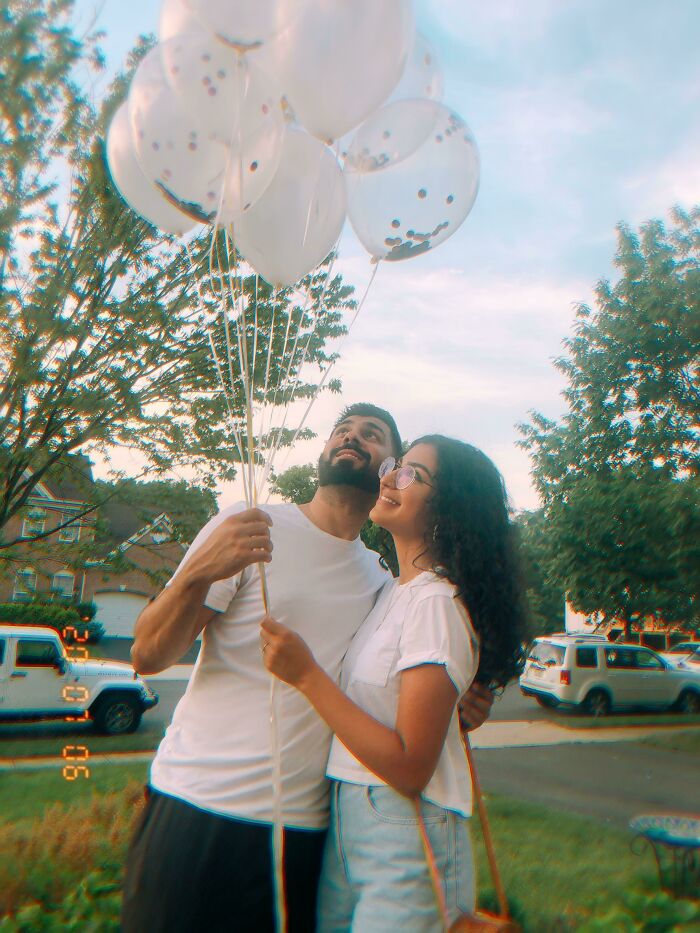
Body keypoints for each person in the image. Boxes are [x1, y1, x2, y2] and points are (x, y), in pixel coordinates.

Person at [121, 407, 494, 933]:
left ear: (391, 470)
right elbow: (147, 655)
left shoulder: (383, 582)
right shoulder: (250, 525)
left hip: (309, 835)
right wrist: (199, 571)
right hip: (200, 806)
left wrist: (458, 704)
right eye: (342, 429)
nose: (351, 437)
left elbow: (392, 686)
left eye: (373, 434)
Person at [262, 436, 528, 932]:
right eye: (395, 466)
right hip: (351, 817)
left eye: (413, 475)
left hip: (404, 829)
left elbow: (409, 767)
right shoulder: (394, 593)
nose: (389, 478)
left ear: (451, 508)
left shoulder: (436, 603)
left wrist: (306, 677)